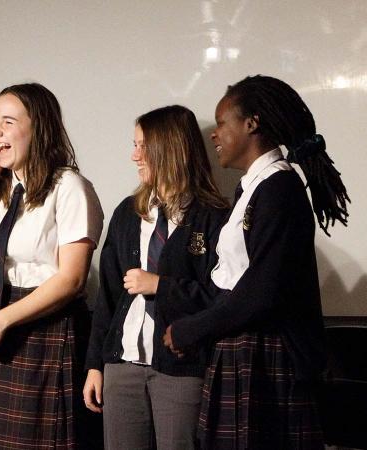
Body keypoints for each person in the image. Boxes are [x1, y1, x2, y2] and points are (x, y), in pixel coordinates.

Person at [164, 75, 350, 449]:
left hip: (266, 353)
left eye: (221, 123)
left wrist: (191, 329)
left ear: (251, 124)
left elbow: (260, 291)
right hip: (242, 346)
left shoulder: (278, 188)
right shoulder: (252, 188)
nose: (214, 135)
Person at [0, 82, 104, 449]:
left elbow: (72, 279)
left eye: (8, 122)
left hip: (44, 325)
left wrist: (3, 319)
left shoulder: (69, 186)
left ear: (37, 128)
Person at [83, 105, 229, 449]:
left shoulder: (213, 218)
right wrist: (95, 365)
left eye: (142, 146)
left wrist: (161, 287)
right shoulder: (128, 213)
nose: (134, 156)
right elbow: (107, 296)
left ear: (170, 148)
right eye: (134, 145)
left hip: (180, 368)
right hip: (123, 366)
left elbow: (221, 299)